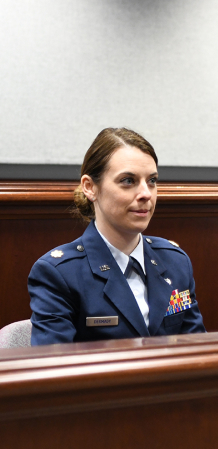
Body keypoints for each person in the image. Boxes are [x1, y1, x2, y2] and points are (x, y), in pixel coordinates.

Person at [29, 128, 206, 345]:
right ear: (90, 187)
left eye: (151, 181)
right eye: (128, 181)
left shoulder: (175, 262)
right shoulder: (60, 273)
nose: (146, 194)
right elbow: (53, 369)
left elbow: (196, 351)